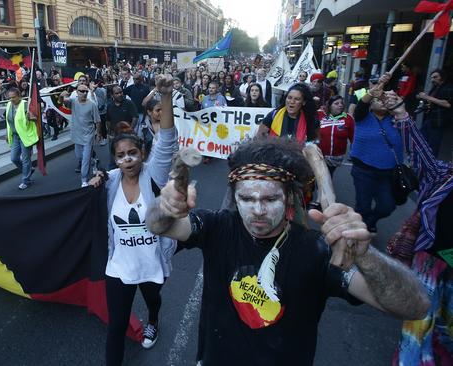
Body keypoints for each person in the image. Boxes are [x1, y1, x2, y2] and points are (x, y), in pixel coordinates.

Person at [145, 137, 430, 366]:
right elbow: (157, 225)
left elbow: (415, 306)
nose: (257, 210)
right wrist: (165, 205)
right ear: (234, 196)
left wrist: (365, 256)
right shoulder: (218, 227)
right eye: (246, 198)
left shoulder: (318, 251)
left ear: (291, 197)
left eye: (270, 198)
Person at [87, 74, 178, 366]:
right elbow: (82, 203)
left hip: (151, 260)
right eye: (121, 155)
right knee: (116, 326)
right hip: (120, 266)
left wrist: (165, 97)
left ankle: (153, 319)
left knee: (153, 300)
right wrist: (92, 184)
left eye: (133, 153)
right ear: (114, 159)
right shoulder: (109, 181)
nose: (127, 160)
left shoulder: (154, 175)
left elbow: (167, 139)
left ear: (142, 154)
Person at [380, 91, 453, 366]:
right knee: (420, 321)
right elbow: (422, 153)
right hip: (431, 257)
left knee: (448, 326)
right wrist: (400, 112)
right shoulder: (443, 175)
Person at [350, 73, 400, 232]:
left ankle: (370, 220)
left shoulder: (396, 119)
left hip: (387, 172)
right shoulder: (363, 116)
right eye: (378, 100)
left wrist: (389, 97)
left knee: (387, 206)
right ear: (371, 105)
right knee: (363, 205)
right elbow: (361, 104)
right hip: (363, 170)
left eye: (383, 100)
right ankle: (361, 232)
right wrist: (375, 89)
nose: (382, 102)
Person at [59, 83, 102, 187]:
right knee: (80, 156)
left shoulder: (92, 104)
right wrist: (61, 95)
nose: (84, 93)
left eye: (86, 91)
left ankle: (84, 180)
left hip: (88, 135)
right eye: (82, 91)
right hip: (76, 135)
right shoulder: (72, 101)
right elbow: (61, 102)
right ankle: (94, 161)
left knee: (85, 159)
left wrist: (98, 133)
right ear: (77, 92)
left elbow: (98, 121)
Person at [5, 87, 38, 190]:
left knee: (25, 159)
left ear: (19, 96)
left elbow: (36, 117)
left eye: (13, 97)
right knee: (14, 158)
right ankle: (28, 170)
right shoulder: (9, 105)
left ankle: (26, 180)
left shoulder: (25, 105)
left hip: (25, 136)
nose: (11, 99)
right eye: (9, 97)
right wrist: (7, 133)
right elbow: (8, 121)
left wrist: (32, 118)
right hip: (15, 136)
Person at [416, 69, 452, 158]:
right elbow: (432, 101)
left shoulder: (448, 88)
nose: (432, 79)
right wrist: (423, 99)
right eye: (431, 77)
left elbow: (447, 104)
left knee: (433, 146)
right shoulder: (435, 88)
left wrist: (427, 97)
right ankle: (421, 161)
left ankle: (431, 167)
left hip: (438, 121)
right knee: (420, 140)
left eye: (435, 77)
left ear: (442, 77)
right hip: (429, 119)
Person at [317, 95, 355, 176]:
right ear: (330, 106)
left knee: (328, 176)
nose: (340, 105)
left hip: (336, 157)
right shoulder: (320, 115)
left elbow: (353, 139)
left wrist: (355, 155)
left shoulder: (348, 119)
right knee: (319, 176)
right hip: (319, 154)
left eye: (341, 103)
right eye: (336, 103)